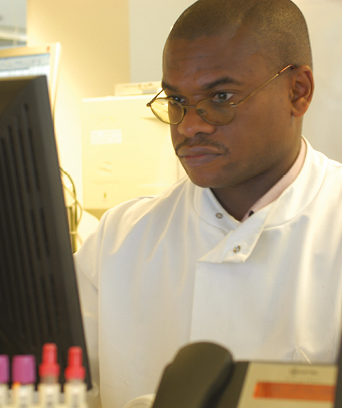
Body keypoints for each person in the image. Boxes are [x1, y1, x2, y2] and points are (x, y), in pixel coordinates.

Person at [74, 1, 342, 407]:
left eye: (221, 96)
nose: (189, 125)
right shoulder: (117, 241)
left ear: (297, 92)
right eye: (176, 99)